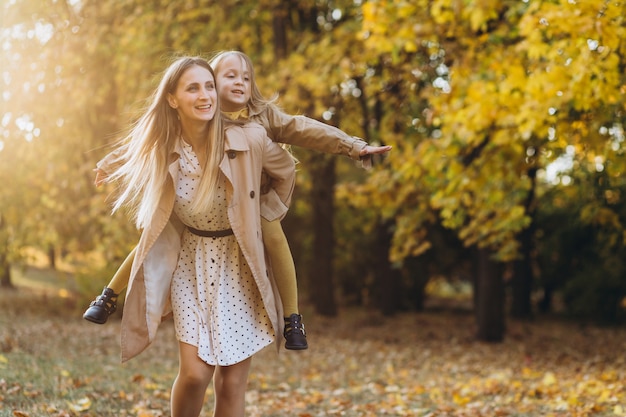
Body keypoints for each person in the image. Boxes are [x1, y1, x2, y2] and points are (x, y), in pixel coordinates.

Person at [83, 51, 393, 351]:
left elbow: (303, 129)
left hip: (254, 199)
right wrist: (110, 164)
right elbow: (149, 138)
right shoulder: (202, 113)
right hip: (201, 200)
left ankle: (293, 318)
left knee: (272, 234)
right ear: (212, 82)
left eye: (246, 77)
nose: (240, 82)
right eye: (229, 76)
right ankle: (109, 295)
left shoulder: (262, 116)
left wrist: (354, 146)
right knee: (156, 233)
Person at [102, 56, 295, 417]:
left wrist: (269, 210)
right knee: (194, 375)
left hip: (241, 265)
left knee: (232, 384)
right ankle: (106, 296)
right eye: (193, 88)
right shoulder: (166, 144)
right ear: (173, 99)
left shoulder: (246, 139)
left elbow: (286, 168)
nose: (205, 95)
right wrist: (107, 165)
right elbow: (136, 146)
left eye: (209, 86)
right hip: (191, 262)